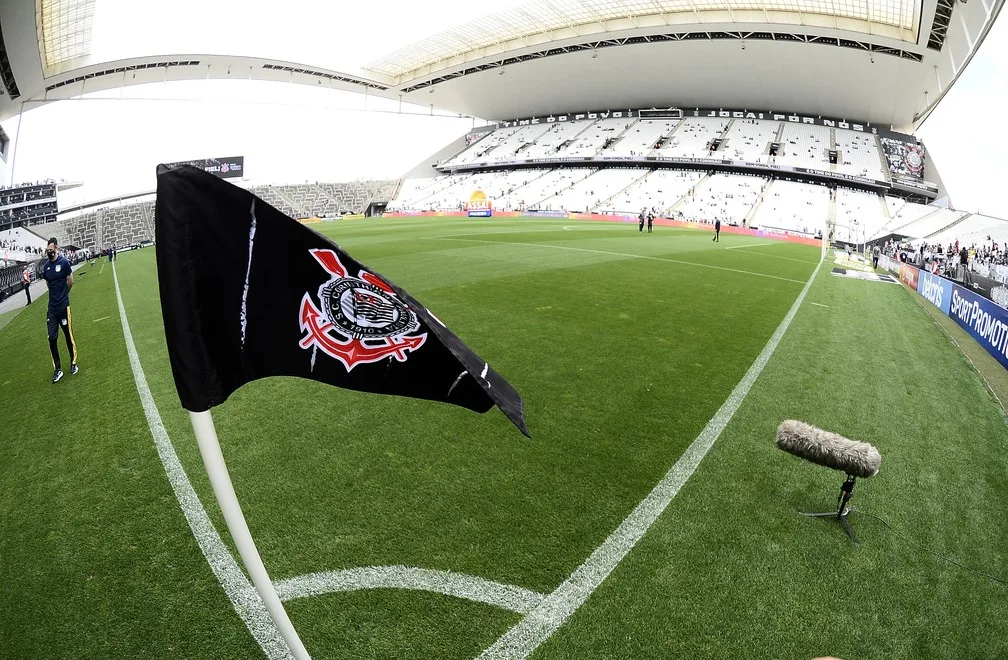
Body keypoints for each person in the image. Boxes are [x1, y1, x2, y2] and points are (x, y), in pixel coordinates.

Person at [41, 237, 78, 383]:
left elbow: (70, 281)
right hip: (52, 308)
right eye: (47, 251)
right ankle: (58, 369)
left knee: (68, 336)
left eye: (51, 250)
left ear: (56, 248)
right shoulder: (46, 267)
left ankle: (73, 362)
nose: (49, 253)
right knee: (52, 338)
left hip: (63, 306)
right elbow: (48, 284)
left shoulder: (63, 263)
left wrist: (63, 295)